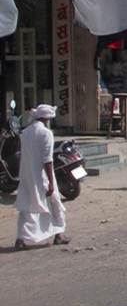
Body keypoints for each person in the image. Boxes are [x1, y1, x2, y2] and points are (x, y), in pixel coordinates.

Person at [14, 104, 69, 249]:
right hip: (41, 174)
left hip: (26, 174)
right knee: (54, 201)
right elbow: (47, 160)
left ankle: (21, 239)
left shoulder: (25, 133)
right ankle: (59, 235)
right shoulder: (46, 133)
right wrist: (51, 182)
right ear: (47, 118)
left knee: (27, 206)